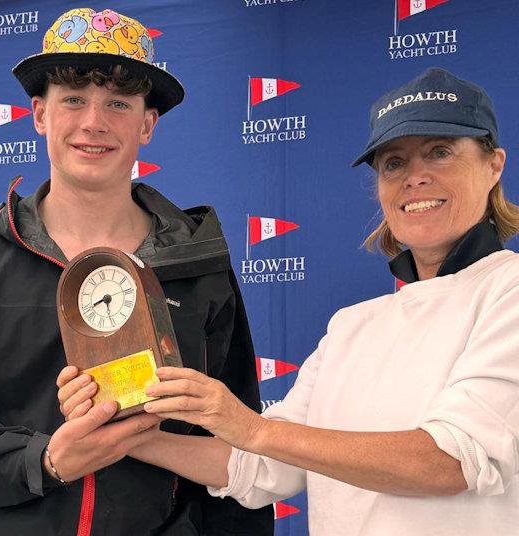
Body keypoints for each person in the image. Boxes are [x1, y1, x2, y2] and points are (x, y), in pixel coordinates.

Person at [60, 67, 519, 535]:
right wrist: (122, 429)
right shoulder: (352, 325)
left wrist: (251, 427)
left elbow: (452, 462)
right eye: (394, 163)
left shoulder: (510, 290)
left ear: (493, 164)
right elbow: (264, 468)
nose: (415, 178)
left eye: (440, 153)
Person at [0, 7, 273, 536]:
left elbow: (239, 440)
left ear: (147, 124)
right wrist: (46, 461)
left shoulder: (198, 262)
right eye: (72, 99)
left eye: (118, 103)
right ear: (39, 115)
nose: (93, 122)